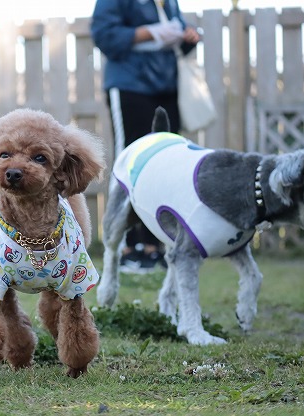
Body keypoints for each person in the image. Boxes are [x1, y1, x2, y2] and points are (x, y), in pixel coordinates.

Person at [91, 0, 201, 272]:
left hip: (167, 86)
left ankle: (155, 245)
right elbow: (104, 36)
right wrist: (149, 33)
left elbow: (179, 39)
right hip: (130, 85)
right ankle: (127, 247)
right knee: (130, 162)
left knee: (165, 165)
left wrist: (188, 35)